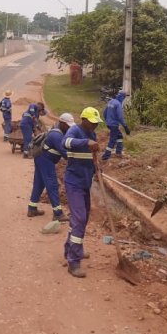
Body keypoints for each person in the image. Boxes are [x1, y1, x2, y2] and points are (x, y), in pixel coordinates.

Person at [62, 107, 103, 278]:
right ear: (84, 120)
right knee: (79, 218)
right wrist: (86, 143)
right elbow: (65, 143)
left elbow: (89, 159)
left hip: (85, 183)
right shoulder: (75, 130)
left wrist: (97, 168)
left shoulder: (92, 135)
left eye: (96, 124)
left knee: (82, 218)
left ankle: (70, 248)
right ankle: (74, 261)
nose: (95, 126)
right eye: (92, 123)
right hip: (74, 183)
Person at [27, 112, 74, 222]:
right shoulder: (56, 135)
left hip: (41, 158)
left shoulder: (58, 131)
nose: (69, 128)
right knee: (52, 184)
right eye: (67, 125)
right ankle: (58, 213)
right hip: (45, 160)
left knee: (39, 183)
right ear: (62, 123)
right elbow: (65, 154)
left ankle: (32, 208)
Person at [102, 90, 130, 161]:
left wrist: (108, 120)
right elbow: (120, 117)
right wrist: (125, 126)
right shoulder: (118, 104)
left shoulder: (111, 102)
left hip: (109, 124)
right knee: (112, 140)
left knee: (119, 136)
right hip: (114, 125)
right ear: (122, 97)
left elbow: (104, 113)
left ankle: (118, 152)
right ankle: (106, 156)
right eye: (124, 97)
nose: (124, 98)